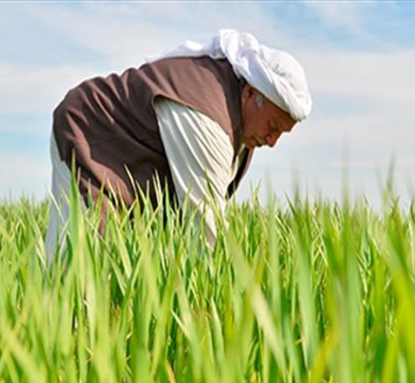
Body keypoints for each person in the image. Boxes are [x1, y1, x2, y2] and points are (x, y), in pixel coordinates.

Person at [44, 29, 312, 262]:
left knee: (138, 263)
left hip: (134, 171)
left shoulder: (241, 120)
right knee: (82, 265)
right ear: (250, 93)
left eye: (281, 134)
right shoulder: (205, 116)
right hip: (90, 136)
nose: (272, 141)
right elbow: (204, 228)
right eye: (273, 127)